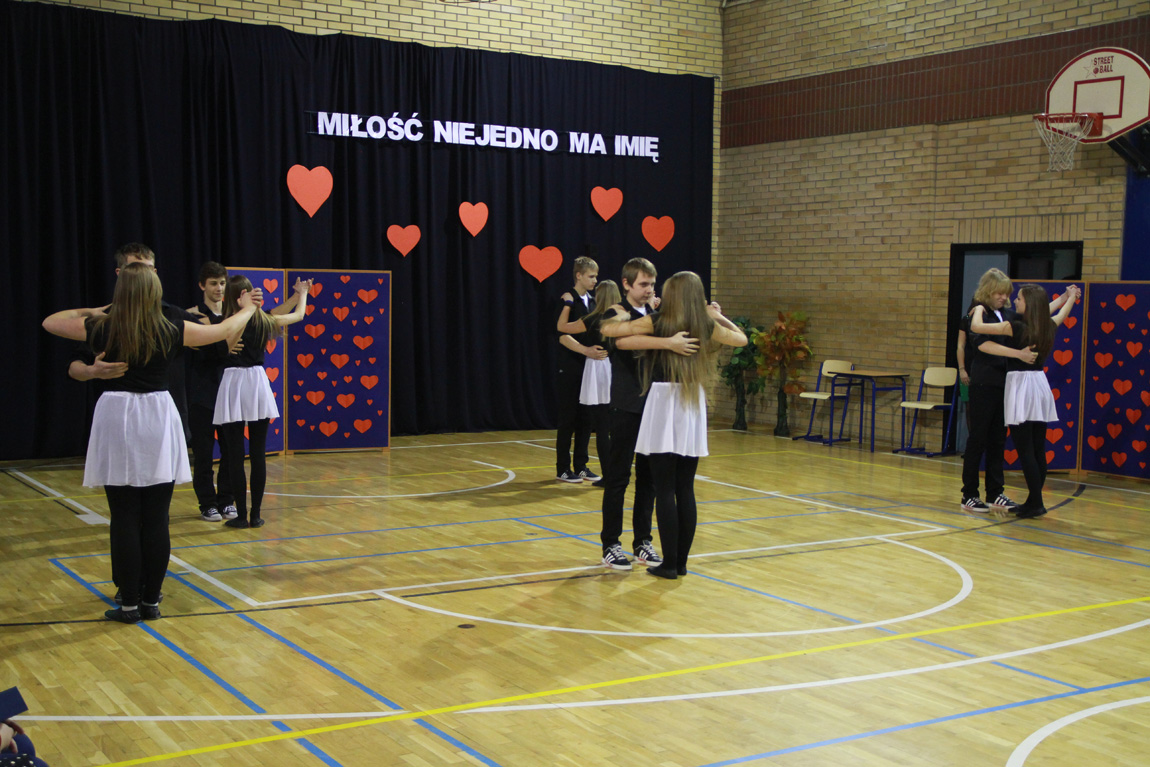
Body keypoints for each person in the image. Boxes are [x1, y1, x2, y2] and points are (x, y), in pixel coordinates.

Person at [42, 262, 258, 623]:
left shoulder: (103, 326)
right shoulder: (170, 326)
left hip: (116, 413)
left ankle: (128, 603)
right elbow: (222, 331)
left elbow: (51, 321)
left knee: (124, 516)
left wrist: (97, 311)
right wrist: (248, 308)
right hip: (157, 414)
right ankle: (151, 601)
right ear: (155, 291)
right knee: (157, 517)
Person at [602, 270, 745, 579]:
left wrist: (662, 340)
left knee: (665, 487)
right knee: (685, 487)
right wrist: (717, 316)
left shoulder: (660, 321)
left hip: (664, 400)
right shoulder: (705, 325)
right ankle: (680, 563)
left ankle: (668, 563)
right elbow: (741, 339)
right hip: (692, 402)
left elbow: (617, 336)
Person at [960, 269, 1073, 513]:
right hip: (985, 382)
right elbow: (982, 344)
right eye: (999, 293)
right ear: (988, 292)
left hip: (1008, 384)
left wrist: (1064, 298)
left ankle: (995, 492)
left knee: (998, 439)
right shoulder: (980, 312)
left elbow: (1038, 310)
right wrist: (1017, 354)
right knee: (978, 438)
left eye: (1008, 294)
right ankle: (969, 493)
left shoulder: (1009, 314)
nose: (1004, 297)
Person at [213, 275, 310, 529]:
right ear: (243, 296)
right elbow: (299, 315)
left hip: (234, 383)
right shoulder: (262, 320)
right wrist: (302, 294)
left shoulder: (228, 322)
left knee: (235, 455)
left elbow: (216, 345)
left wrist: (298, 294)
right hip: (256, 382)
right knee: (258, 454)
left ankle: (242, 515)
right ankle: (254, 515)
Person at [183, 261, 239, 522]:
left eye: (223, 283)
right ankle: (207, 503)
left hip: (229, 392)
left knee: (231, 452)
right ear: (202, 285)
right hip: (202, 393)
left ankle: (227, 500)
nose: (219, 288)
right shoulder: (192, 315)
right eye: (214, 283)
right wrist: (225, 345)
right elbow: (208, 349)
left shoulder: (232, 314)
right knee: (204, 454)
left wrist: (298, 297)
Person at [557, 279, 622, 486]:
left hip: (597, 369)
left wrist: (568, 304)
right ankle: (611, 474)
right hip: (615, 369)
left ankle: (608, 476)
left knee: (601, 426)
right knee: (607, 426)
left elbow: (561, 328)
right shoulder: (623, 319)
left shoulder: (593, 318)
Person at [554, 257, 603, 483]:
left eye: (596, 276)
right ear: (579, 275)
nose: (595, 280)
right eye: (591, 276)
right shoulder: (567, 300)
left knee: (586, 418)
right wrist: (585, 350)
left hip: (589, 368)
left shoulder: (593, 302)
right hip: (571, 366)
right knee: (568, 418)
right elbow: (562, 335)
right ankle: (563, 468)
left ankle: (581, 465)